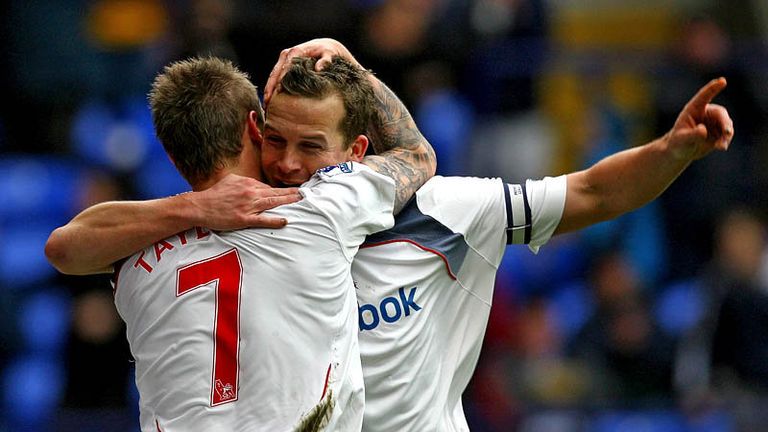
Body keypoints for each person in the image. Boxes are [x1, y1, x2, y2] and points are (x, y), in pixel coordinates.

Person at [48, 38, 734, 431]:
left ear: (358, 150)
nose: (287, 163)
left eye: (310, 146)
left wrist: (671, 151)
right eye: (276, 140)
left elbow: (589, 191)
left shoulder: (441, 212)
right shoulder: (244, 223)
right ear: (254, 132)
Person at [47, 55, 435, 432]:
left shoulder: (132, 250)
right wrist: (346, 65)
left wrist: (193, 207)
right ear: (255, 127)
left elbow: (61, 248)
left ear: (169, 154)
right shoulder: (318, 210)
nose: (288, 162)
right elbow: (415, 155)